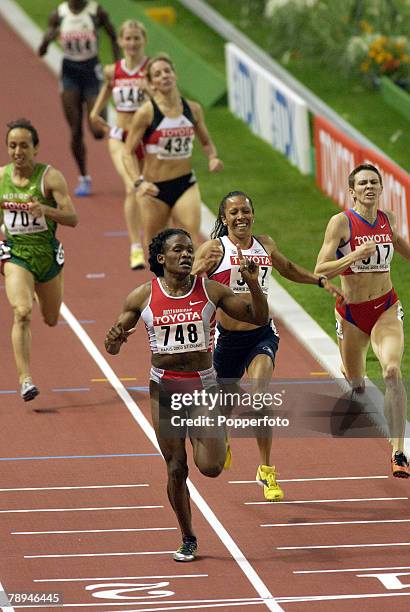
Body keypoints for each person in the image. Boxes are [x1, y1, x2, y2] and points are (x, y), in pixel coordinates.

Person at [104, 228, 268, 561]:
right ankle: (188, 536)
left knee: (211, 468)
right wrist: (114, 339)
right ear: (162, 258)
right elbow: (112, 345)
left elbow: (258, 317)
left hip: (204, 385)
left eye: (190, 249)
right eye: (179, 250)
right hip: (164, 387)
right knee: (177, 468)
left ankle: (215, 430)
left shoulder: (210, 290)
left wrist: (253, 284)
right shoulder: (141, 297)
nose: (187, 254)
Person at [193, 191, 344, 501]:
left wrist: (317, 280)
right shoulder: (213, 250)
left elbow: (287, 268)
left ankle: (266, 470)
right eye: (233, 212)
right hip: (227, 339)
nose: (240, 217)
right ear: (224, 219)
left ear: (252, 214)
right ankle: (223, 435)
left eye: (245, 211)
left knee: (260, 397)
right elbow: (190, 284)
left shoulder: (266, 245)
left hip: (261, 334)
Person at [315, 163, 409, 478]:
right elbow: (321, 269)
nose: (369, 187)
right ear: (352, 190)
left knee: (392, 371)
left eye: (374, 183)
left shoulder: (388, 220)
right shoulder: (340, 223)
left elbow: (400, 246)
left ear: (381, 189)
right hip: (352, 315)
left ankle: (399, 451)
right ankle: (353, 379)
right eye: (363, 183)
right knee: (357, 383)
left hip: (385, 308)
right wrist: (355, 255)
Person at [0, 119, 78, 401]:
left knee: (51, 318)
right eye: (12, 145)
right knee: (21, 311)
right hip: (17, 255)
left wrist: (45, 209)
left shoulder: (50, 178)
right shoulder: (1, 179)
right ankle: (25, 379)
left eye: (23, 145)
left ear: (35, 148)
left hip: (46, 256)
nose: (17, 151)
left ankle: (36, 286)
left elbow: (72, 218)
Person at [122, 53, 223, 250]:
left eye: (167, 71)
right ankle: (162, 281)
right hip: (154, 189)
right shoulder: (146, 113)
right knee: (156, 246)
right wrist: (138, 182)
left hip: (185, 184)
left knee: (189, 240)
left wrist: (212, 157)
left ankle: (189, 280)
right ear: (152, 84)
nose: (164, 76)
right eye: (158, 74)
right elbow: (128, 153)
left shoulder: (192, 109)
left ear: (175, 75)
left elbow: (206, 142)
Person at [38, 0, 120, 197]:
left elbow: (113, 36)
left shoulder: (96, 11)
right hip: (70, 73)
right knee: (75, 129)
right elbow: (41, 52)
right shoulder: (59, 14)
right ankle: (84, 178)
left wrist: (118, 66)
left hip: (92, 70)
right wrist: (47, 40)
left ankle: (101, 112)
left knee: (98, 130)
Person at [90, 20, 149, 270]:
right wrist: (95, 113)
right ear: (120, 41)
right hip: (120, 136)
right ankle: (136, 248)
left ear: (143, 40)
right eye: (128, 38)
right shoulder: (112, 70)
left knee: (147, 191)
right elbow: (107, 88)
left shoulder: (151, 69)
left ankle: (155, 240)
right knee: (132, 187)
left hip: (147, 139)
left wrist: (150, 90)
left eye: (137, 38)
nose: (132, 43)